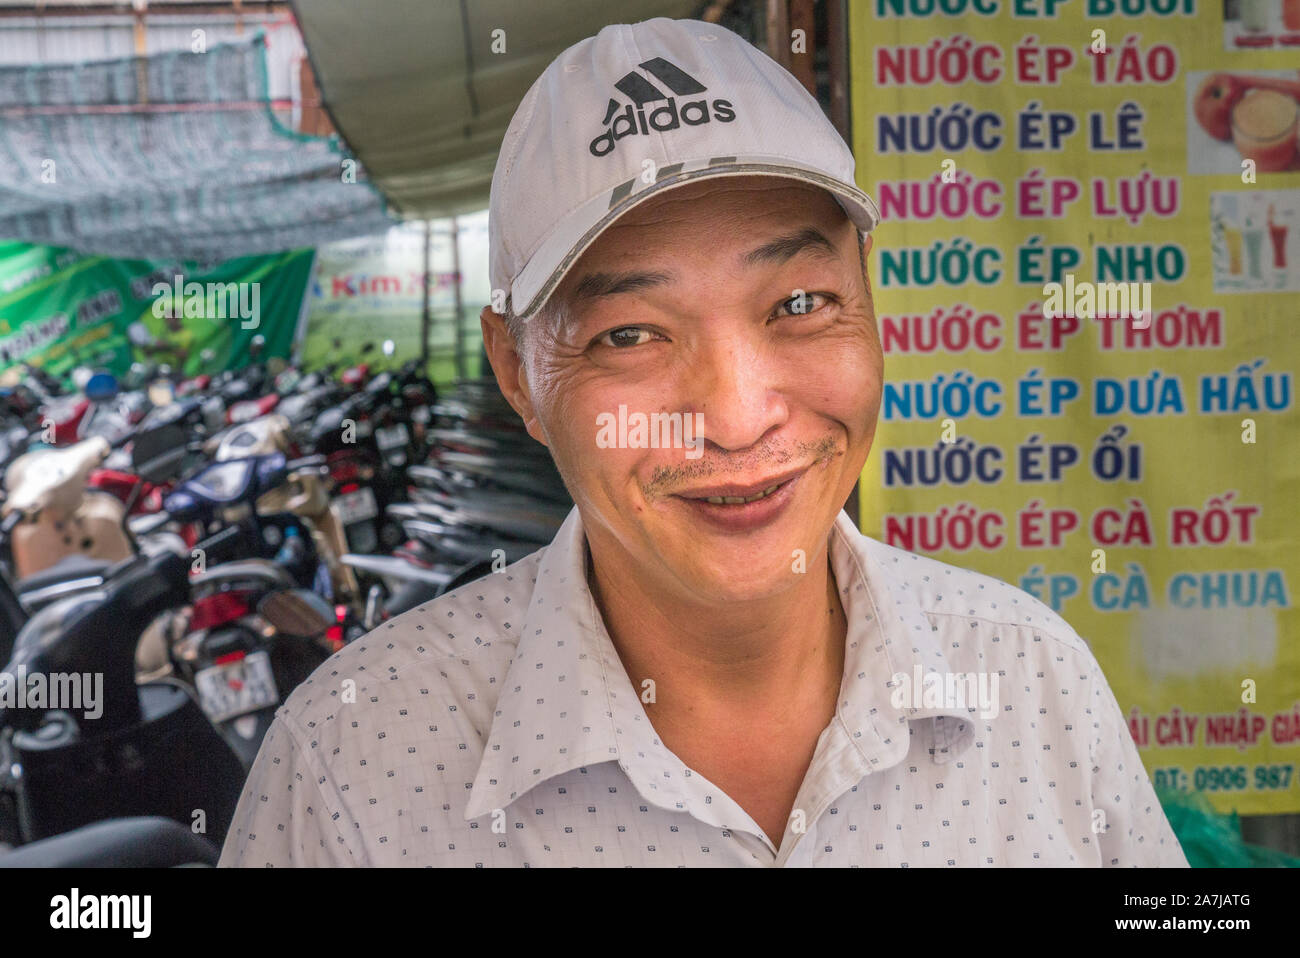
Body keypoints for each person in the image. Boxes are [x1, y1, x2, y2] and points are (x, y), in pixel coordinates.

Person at [219, 17, 1187, 867]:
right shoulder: (352, 767)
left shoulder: (1030, 679)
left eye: (799, 304)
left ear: (869, 302)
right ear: (515, 370)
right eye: (630, 335)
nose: (736, 417)